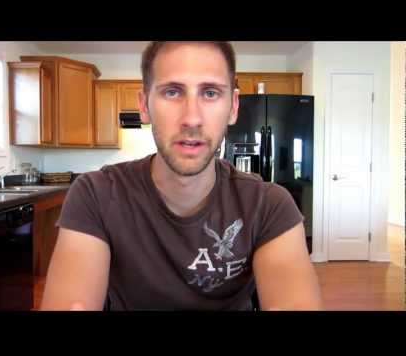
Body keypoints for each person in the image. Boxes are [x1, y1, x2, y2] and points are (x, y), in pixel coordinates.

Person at [40, 41, 323, 311]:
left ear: (233, 107)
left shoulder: (269, 205)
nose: (192, 118)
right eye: (173, 92)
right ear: (144, 105)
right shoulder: (96, 195)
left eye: (210, 92)